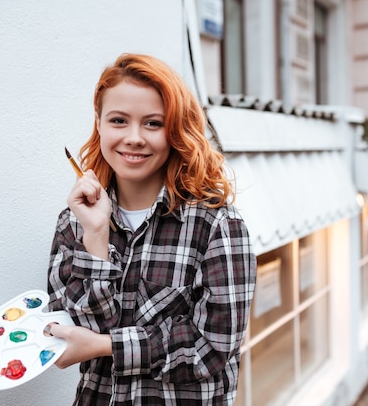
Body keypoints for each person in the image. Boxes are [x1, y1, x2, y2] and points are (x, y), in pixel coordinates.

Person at [46, 53, 257, 406]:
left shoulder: (217, 225)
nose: (134, 138)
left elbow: (213, 348)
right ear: (98, 124)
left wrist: (107, 346)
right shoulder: (74, 221)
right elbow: (72, 328)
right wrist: (96, 237)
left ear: (175, 130)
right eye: (118, 120)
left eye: (153, 124)